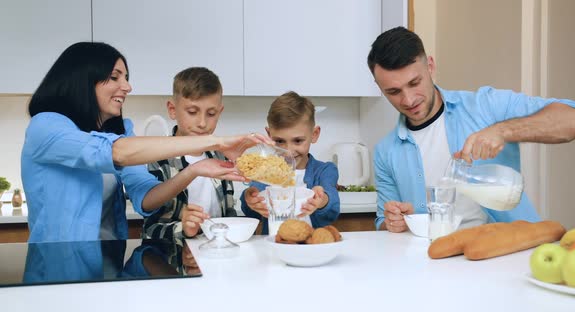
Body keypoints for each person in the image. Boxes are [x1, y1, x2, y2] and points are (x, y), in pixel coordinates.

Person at [21, 42, 271, 243]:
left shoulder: (122, 132)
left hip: (109, 259)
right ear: (83, 79)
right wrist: (217, 142)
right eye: (115, 77)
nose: (127, 86)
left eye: (126, 77)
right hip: (58, 263)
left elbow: (145, 198)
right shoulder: (46, 126)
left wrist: (193, 170)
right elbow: (115, 152)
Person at [367, 27, 575, 233]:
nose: (408, 99)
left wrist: (503, 131)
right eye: (394, 91)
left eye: (415, 83)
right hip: (437, 261)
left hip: (508, 253)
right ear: (380, 88)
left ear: (430, 67)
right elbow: (382, 223)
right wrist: (393, 221)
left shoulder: (485, 106)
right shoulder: (386, 151)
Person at [143, 67, 237, 244]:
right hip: (172, 261)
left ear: (220, 112)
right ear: (172, 109)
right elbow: (150, 229)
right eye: (192, 112)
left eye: (211, 113)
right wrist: (183, 229)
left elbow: (229, 214)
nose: (202, 123)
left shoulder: (221, 157)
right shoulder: (156, 160)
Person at [240, 91, 340, 234]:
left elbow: (332, 208)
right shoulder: (266, 172)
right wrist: (250, 200)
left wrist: (322, 200)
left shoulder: (325, 170)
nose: (289, 151)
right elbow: (251, 210)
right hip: (275, 246)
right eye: (279, 141)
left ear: (314, 134)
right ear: (269, 136)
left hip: (311, 248)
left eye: (298, 141)